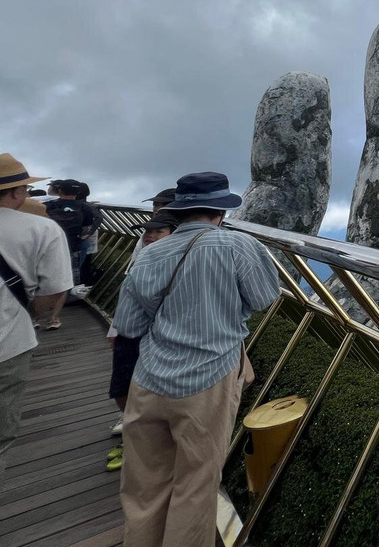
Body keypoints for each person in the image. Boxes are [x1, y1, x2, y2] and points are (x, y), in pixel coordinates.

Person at [113, 172, 279, 546]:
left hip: (150, 377)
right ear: (221, 211)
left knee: (144, 484)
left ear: (178, 212)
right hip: (209, 379)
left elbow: (128, 324)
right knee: (196, 482)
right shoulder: (238, 247)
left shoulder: (150, 253)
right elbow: (264, 297)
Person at [0, 153, 74, 481]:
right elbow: (52, 293)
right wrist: (36, 313)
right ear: (16, 192)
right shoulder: (42, 228)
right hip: (8, 344)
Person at [106, 211, 180, 465]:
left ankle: (139, 444)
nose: (149, 235)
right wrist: (115, 329)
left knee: (150, 392)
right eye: (147, 231)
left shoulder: (182, 257)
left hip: (158, 336)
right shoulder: (144, 253)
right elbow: (128, 294)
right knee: (122, 387)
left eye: (157, 231)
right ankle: (134, 434)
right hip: (131, 333)